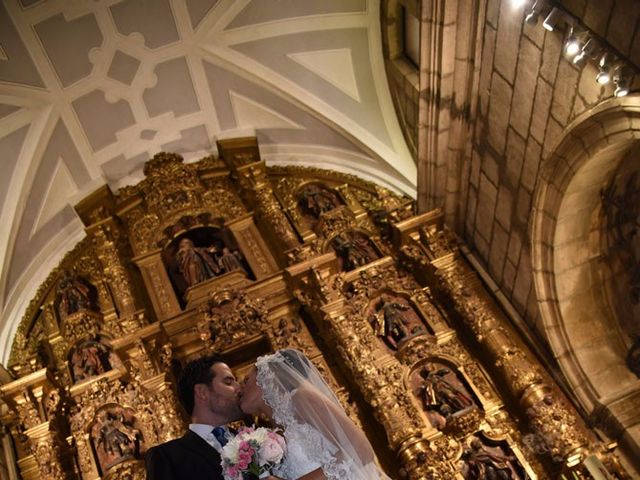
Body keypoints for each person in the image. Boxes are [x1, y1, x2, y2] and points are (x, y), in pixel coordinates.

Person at [240, 349, 390, 480]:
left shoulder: (300, 398)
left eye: (246, 380)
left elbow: (361, 449)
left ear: (266, 378)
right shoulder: (271, 433)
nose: (241, 389)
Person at [145, 355, 243, 480]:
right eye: (228, 382)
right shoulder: (167, 456)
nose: (239, 388)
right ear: (202, 392)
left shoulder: (254, 440)